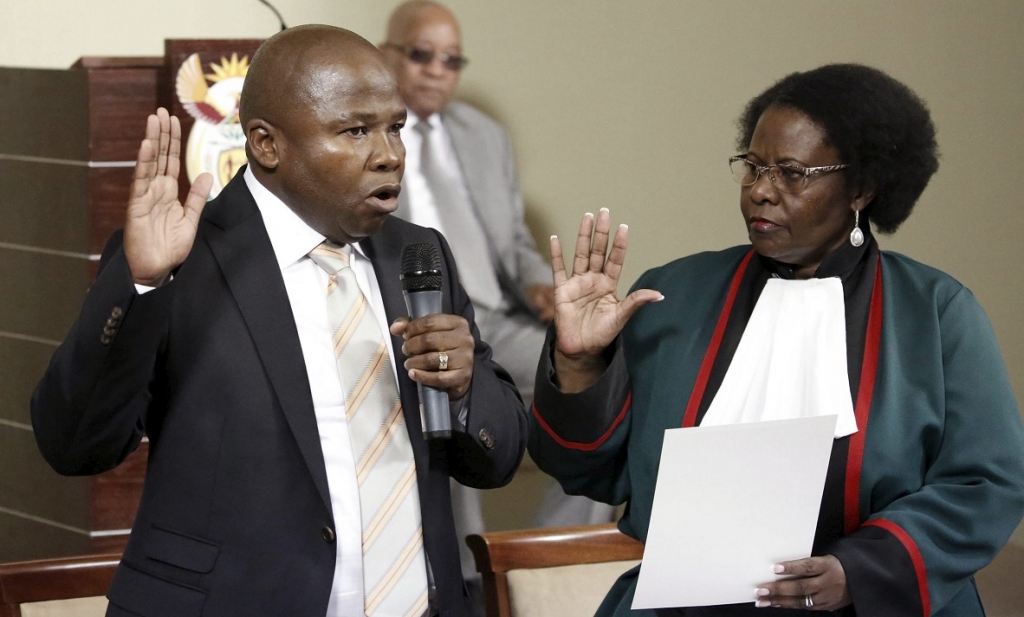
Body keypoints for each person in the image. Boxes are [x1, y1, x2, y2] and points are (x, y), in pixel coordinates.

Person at [30, 25, 528, 617]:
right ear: (266, 144)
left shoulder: (418, 258)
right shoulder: (181, 261)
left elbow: (496, 460)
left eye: (394, 126)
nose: (390, 153)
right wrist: (140, 284)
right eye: (356, 130)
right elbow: (75, 446)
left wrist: (467, 386)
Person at [529, 63, 1024, 616]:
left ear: (860, 187)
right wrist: (579, 363)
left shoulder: (935, 313)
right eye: (754, 167)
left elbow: (985, 483)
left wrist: (854, 572)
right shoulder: (674, 295)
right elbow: (588, 470)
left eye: (791, 173)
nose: (761, 191)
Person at [378, 0, 614, 586]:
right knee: (445, 401)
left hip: (496, 316)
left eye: (452, 61)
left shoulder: (483, 136)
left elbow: (510, 241)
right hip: (415, 319)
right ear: (387, 55)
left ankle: (554, 558)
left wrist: (539, 283)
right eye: (421, 54)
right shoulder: (368, 132)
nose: (437, 70)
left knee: (599, 389)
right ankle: (463, 579)